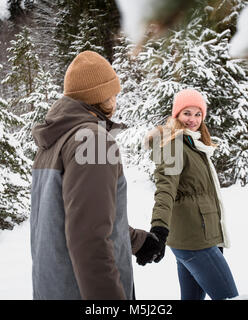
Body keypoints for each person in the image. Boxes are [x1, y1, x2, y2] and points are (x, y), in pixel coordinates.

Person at [30, 50, 161, 300]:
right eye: (113, 92)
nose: (117, 98)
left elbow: (82, 218)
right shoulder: (93, 141)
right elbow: (89, 239)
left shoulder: (56, 140)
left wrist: (137, 241)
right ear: (101, 96)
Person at [145, 88, 239, 300]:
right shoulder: (173, 145)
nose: (193, 119)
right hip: (196, 240)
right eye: (187, 113)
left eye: (198, 114)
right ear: (176, 114)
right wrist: (158, 228)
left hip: (193, 237)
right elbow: (165, 189)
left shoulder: (193, 145)